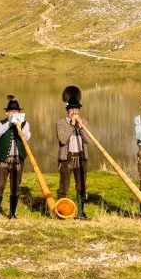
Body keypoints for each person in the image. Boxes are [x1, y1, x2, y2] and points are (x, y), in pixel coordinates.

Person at [0, 94, 30, 219]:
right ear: (7, 113)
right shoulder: (1, 123)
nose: (14, 113)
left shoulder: (25, 124)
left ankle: (12, 214)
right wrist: (9, 123)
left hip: (18, 160)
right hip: (4, 160)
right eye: (12, 111)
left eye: (16, 111)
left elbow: (27, 137)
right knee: (0, 187)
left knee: (15, 188)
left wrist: (19, 127)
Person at [58, 85, 89, 220]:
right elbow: (62, 140)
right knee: (64, 185)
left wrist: (80, 128)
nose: (74, 112)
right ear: (68, 110)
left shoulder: (84, 122)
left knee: (81, 185)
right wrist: (71, 125)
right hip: (67, 157)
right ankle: (60, 212)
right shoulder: (61, 123)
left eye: (76, 109)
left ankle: (81, 212)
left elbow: (88, 140)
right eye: (72, 109)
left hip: (81, 157)